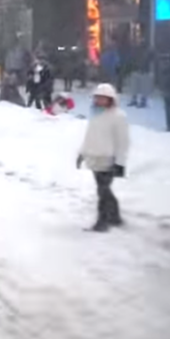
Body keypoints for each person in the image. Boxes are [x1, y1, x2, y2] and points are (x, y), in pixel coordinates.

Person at [76, 83, 130, 232]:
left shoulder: (118, 117)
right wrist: (82, 153)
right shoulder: (95, 113)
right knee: (104, 190)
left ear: (111, 99)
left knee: (103, 191)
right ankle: (115, 217)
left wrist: (120, 163)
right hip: (94, 159)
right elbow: (90, 136)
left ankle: (103, 221)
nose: (99, 101)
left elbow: (123, 142)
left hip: (108, 159)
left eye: (103, 98)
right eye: (97, 98)